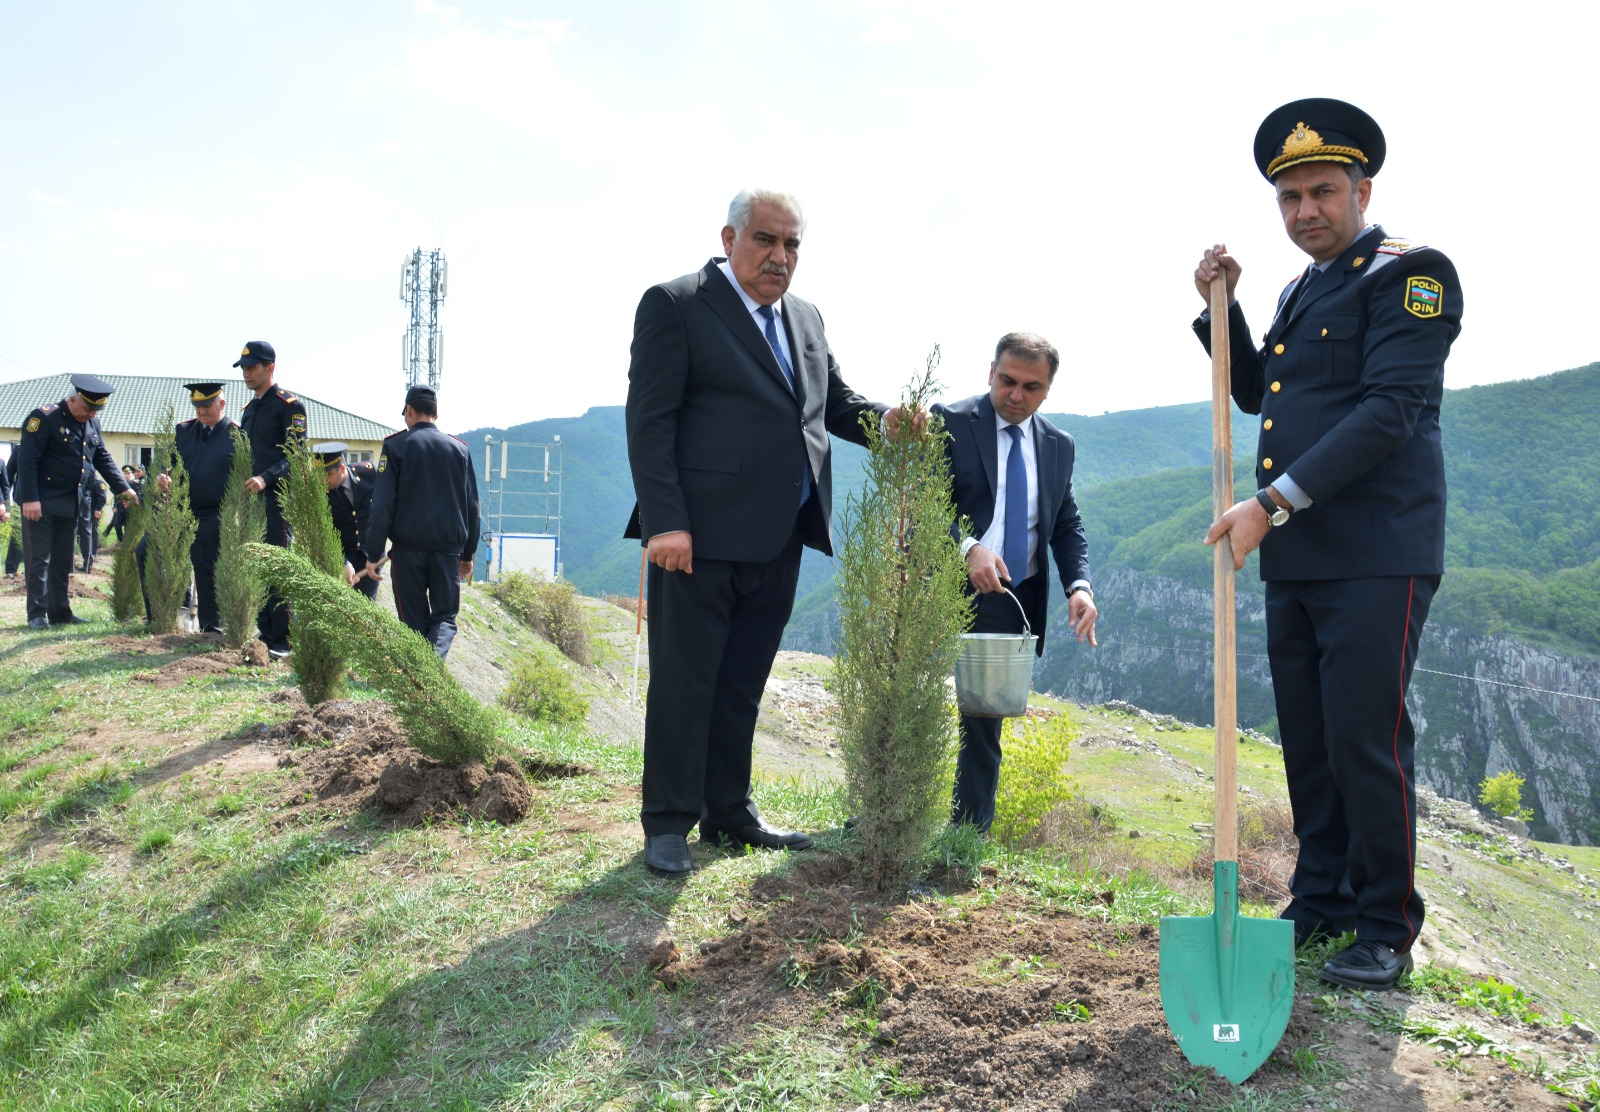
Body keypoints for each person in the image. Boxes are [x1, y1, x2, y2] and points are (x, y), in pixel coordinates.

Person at [1193, 98, 1463, 991]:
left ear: (1362, 188)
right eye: (1290, 199)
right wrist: (1220, 310)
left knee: (1365, 739)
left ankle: (1384, 925)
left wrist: (1270, 502)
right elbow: (1259, 398)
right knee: (1308, 740)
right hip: (1301, 551)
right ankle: (1321, 902)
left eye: (1322, 192)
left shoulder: (1411, 275)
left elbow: (1390, 411)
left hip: (1376, 552)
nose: (1305, 210)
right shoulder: (1301, 289)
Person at [623, 187, 901, 878]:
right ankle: (667, 823)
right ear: (729, 238)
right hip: (697, 537)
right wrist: (666, 522)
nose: (780, 257)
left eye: (793, 244)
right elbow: (649, 422)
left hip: (783, 532)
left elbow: (833, 405)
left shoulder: (806, 317)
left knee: (741, 683)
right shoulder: (677, 304)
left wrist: (889, 423)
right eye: (766, 241)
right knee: (686, 681)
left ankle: (728, 812)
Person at [935, 333, 1098, 832]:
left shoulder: (1058, 446)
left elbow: (1065, 523)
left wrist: (1080, 586)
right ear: (991, 372)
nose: (1016, 395)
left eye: (1031, 386)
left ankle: (968, 835)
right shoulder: (952, 423)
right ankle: (886, 818)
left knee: (984, 719)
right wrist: (968, 547)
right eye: (1007, 381)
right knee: (910, 703)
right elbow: (921, 506)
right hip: (938, 588)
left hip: (1011, 597)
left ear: (1047, 390)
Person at [15, 374, 138, 628]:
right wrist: (30, 498)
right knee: (39, 558)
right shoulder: (44, 418)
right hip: (40, 502)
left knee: (62, 558)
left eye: (95, 410)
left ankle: (60, 612)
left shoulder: (92, 423)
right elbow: (27, 460)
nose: (90, 414)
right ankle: (36, 614)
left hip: (70, 502)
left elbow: (101, 457)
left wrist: (124, 488)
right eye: (86, 409)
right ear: (73, 399)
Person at [365, 386, 479, 658]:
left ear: (410, 411)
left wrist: (373, 552)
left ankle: (423, 678)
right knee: (444, 618)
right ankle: (431, 673)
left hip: (408, 553)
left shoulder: (395, 446)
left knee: (412, 624)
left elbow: (382, 505)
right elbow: (472, 506)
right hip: (447, 551)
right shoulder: (459, 450)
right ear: (436, 414)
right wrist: (468, 554)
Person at [139, 383, 238, 633]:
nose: (201, 412)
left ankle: (210, 626)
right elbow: (170, 465)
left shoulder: (235, 433)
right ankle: (157, 618)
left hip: (213, 513)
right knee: (145, 550)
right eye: (197, 407)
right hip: (179, 510)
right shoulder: (184, 430)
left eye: (207, 406)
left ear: (222, 405)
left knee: (205, 566)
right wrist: (163, 478)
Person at [235, 340, 307, 659]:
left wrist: (266, 477)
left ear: (270, 368)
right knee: (257, 566)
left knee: (276, 566)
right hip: (251, 501)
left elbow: (296, 454)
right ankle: (265, 633)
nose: (247, 374)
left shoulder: (288, 405)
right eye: (244, 369)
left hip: (277, 499)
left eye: (252, 368)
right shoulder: (249, 410)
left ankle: (283, 640)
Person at [316, 442, 384, 600]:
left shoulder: (369, 473)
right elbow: (325, 534)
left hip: (372, 556)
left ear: (341, 469)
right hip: (343, 557)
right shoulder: (320, 493)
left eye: (328, 475)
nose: (323, 480)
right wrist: (344, 563)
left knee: (366, 607)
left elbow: (387, 507)